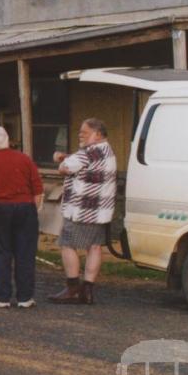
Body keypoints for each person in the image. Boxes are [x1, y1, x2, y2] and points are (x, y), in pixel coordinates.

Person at [0, 126, 44, 309]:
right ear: (8, 139)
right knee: (25, 253)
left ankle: (2, 297)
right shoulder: (25, 159)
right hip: (25, 208)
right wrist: (32, 210)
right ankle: (25, 298)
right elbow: (38, 190)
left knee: (0, 253)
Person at [48, 118, 117, 305]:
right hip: (100, 212)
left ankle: (72, 288)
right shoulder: (107, 151)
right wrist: (68, 157)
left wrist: (61, 159)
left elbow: (65, 168)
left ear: (97, 135)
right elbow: (77, 161)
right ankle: (88, 290)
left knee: (67, 244)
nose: (80, 135)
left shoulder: (89, 152)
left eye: (84, 133)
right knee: (94, 247)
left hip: (81, 210)